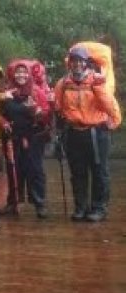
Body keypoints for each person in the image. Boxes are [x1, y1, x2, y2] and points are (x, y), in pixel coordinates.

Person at [54, 46, 121, 222]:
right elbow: (58, 107)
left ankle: (99, 208)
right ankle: (81, 207)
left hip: (97, 132)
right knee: (78, 172)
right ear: (69, 63)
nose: (76, 64)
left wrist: (98, 87)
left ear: (86, 63)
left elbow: (110, 106)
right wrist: (58, 127)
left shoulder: (98, 80)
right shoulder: (63, 83)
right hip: (73, 132)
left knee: (99, 171)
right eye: (73, 60)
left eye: (80, 61)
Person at [0, 60, 51, 218]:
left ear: (29, 74)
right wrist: (4, 122)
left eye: (24, 72)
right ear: (12, 74)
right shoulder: (7, 92)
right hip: (12, 137)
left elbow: (47, 115)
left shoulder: (37, 92)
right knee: (13, 168)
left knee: (35, 169)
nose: (21, 75)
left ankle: (39, 203)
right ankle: (13, 202)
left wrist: (35, 110)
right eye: (18, 72)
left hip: (34, 137)